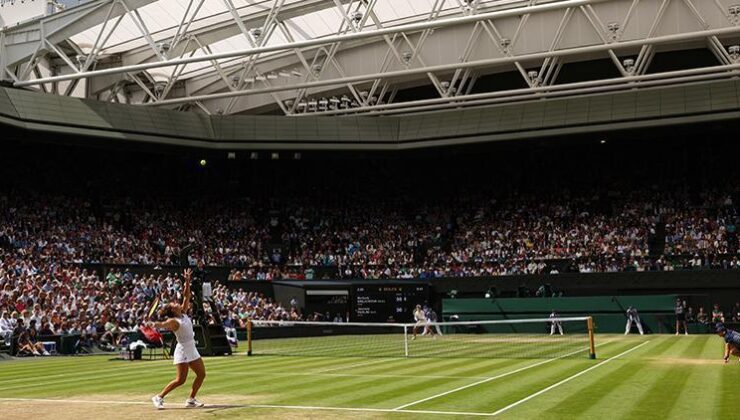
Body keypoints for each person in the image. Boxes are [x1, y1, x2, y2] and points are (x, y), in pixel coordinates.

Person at [150, 269, 206, 410]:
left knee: (201, 374)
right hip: (182, 350)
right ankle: (159, 397)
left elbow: (186, 296)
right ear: (172, 310)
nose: (177, 303)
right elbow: (164, 324)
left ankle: (191, 399)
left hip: (191, 348)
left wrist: (187, 281)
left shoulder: (183, 314)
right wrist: (154, 324)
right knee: (180, 380)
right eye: (174, 304)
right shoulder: (174, 321)